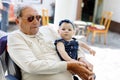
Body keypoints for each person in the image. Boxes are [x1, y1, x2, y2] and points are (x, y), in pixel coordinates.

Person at [7, 4, 94, 80]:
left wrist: (81, 59)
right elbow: (31, 66)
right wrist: (69, 65)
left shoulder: (48, 30)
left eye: (38, 17)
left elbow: (70, 43)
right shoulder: (15, 38)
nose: (36, 21)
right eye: (30, 18)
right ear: (18, 21)